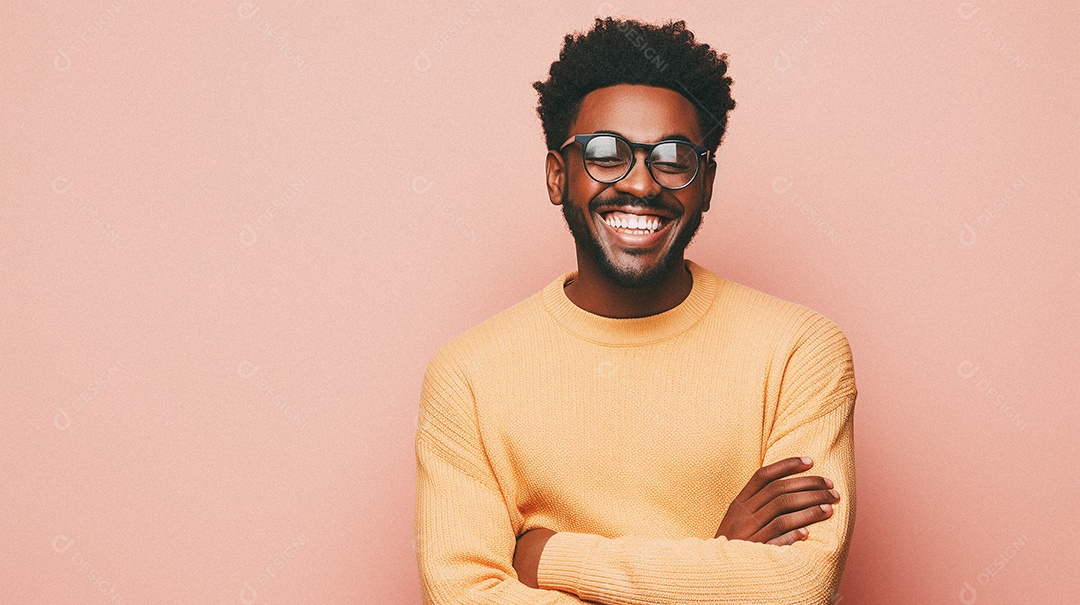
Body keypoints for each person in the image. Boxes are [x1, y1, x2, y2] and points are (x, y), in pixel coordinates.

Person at [415, 17, 856, 605]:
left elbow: (799, 587)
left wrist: (549, 556)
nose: (642, 184)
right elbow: (462, 596)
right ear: (557, 175)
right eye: (605, 153)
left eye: (673, 157)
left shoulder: (799, 351)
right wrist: (717, 562)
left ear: (706, 183)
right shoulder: (467, 376)